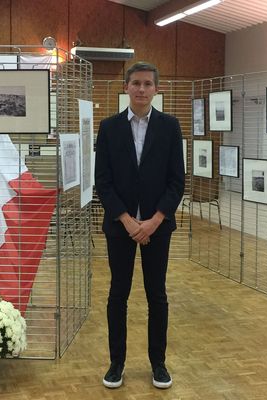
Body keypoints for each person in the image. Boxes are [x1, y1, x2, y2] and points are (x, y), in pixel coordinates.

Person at [94, 61, 185, 390]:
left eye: (148, 84)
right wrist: (129, 221)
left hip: (158, 226)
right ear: (126, 87)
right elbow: (102, 182)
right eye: (136, 83)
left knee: (156, 295)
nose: (142, 89)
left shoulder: (170, 127)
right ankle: (116, 362)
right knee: (118, 294)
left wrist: (154, 220)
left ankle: (157, 362)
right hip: (121, 226)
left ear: (156, 89)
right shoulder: (109, 127)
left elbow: (177, 181)